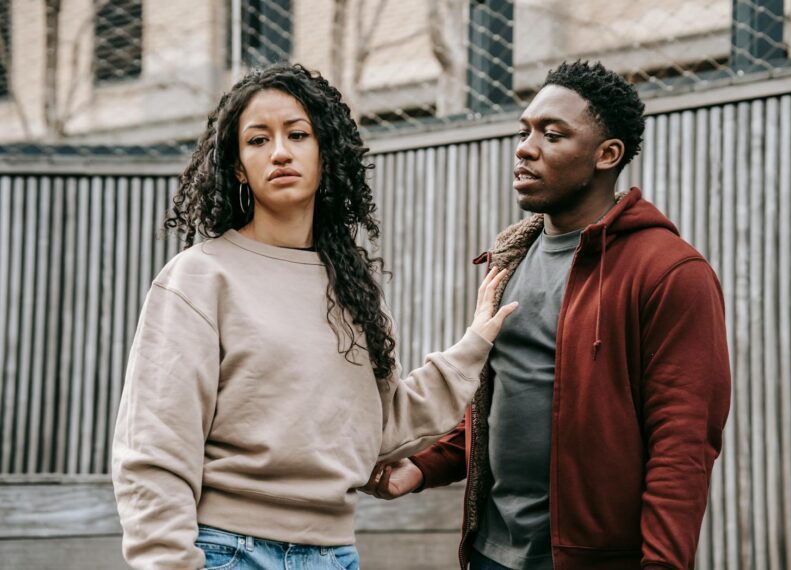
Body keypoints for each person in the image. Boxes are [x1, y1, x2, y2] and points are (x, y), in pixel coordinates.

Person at [111, 63, 518, 570]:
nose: (279, 151)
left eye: (297, 134)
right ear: (238, 165)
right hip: (228, 551)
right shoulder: (199, 278)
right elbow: (154, 446)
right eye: (258, 140)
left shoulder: (352, 288)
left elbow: (379, 429)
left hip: (335, 555)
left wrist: (473, 344)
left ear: (325, 151)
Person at [362, 60, 732, 570]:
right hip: (491, 552)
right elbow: (500, 403)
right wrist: (423, 468)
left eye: (551, 135)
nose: (525, 147)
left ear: (607, 155)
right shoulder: (510, 258)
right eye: (525, 131)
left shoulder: (670, 271)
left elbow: (683, 446)